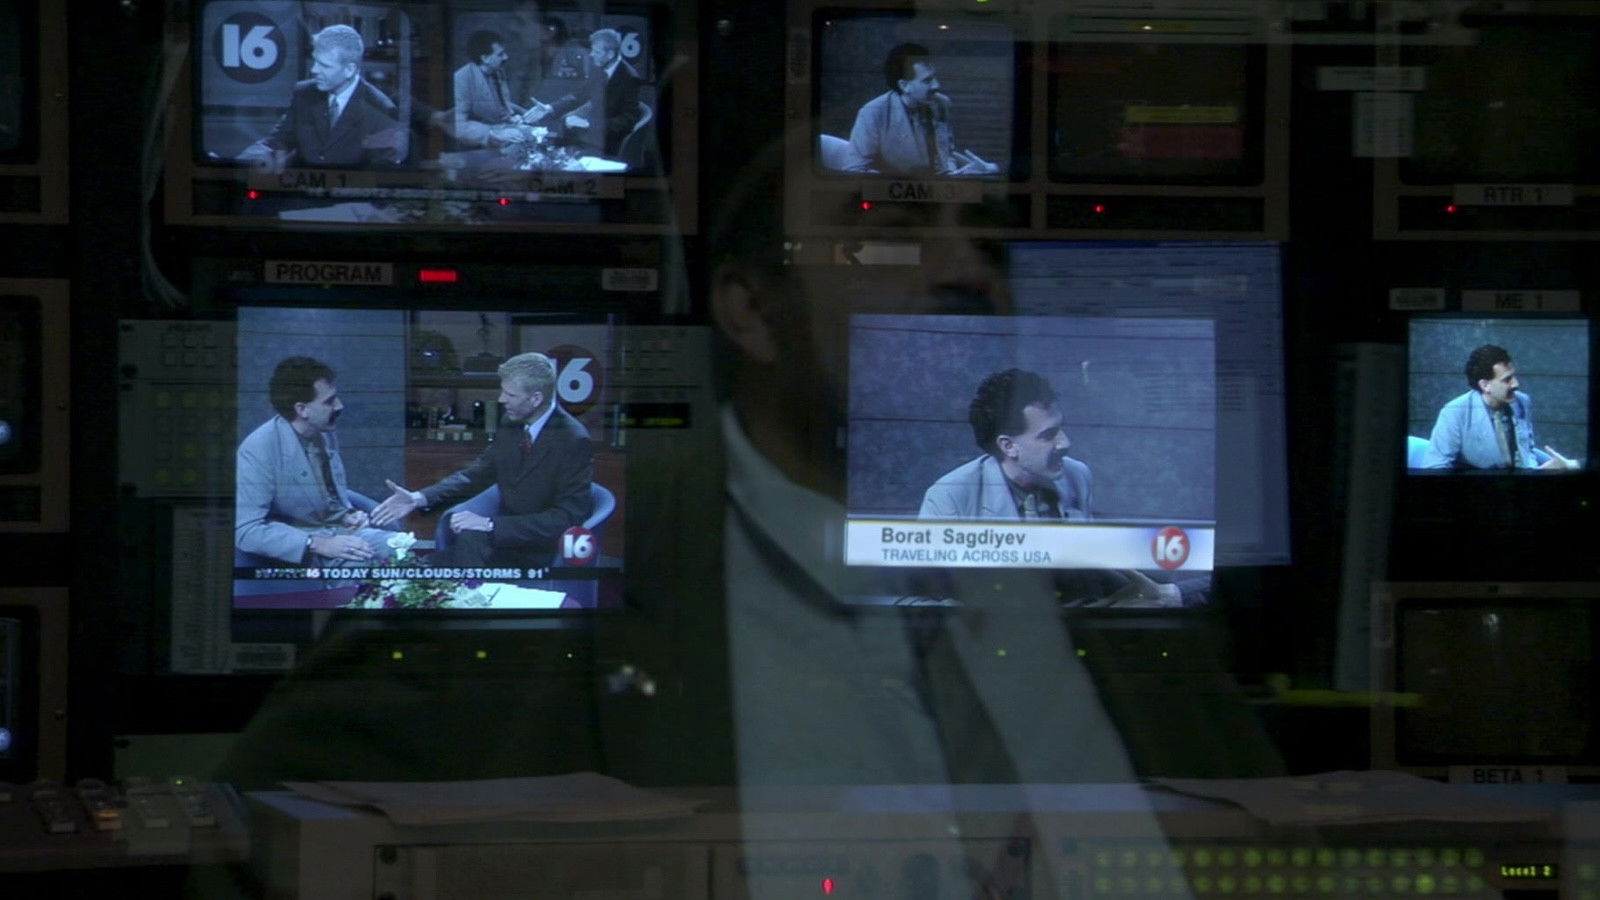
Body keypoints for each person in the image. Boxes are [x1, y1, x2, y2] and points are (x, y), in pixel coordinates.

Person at [369, 352, 593, 565]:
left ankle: (470, 589)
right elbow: (478, 474)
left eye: (511, 395)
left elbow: (568, 517)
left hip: (540, 548)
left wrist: (490, 524)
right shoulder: (512, 423)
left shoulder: (572, 439)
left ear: (536, 398)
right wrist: (420, 498)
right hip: (501, 541)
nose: (502, 399)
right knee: (424, 569)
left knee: (462, 551)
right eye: (503, 391)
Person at [235, 357, 393, 565]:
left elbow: (325, 496)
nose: (339, 406)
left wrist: (346, 515)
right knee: (364, 566)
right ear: (302, 409)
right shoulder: (258, 449)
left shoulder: (324, 433)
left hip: (335, 532)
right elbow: (247, 529)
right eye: (329, 401)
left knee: (400, 548)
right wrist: (316, 543)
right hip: (300, 546)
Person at [920, 368, 1091, 521]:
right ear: (1008, 446)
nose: (1065, 443)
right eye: (1048, 435)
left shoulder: (1077, 475)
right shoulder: (950, 498)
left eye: (1060, 428)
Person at [235, 24, 405, 172]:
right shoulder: (304, 92)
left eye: (324, 65)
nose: (314, 70)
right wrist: (237, 163)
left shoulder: (380, 108)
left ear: (349, 70)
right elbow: (278, 141)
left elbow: (379, 174)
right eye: (315, 61)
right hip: (300, 190)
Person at [839, 42, 998, 177]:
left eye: (934, 77)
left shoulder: (942, 104)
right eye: (927, 80)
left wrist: (961, 175)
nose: (937, 85)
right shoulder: (873, 112)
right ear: (904, 85)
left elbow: (946, 157)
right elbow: (854, 170)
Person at [1420, 343, 1577, 470]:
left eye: (1513, 376)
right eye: (1507, 379)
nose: (1516, 384)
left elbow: (1526, 451)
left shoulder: (1522, 401)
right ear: (1485, 385)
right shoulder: (1454, 412)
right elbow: (1434, 466)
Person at [525, 28, 642, 156]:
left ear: (610, 54)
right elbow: (580, 95)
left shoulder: (630, 77)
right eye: (592, 50)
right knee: (555, 135)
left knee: (559, 145)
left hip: (608, 139)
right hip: (591, 132)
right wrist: (550, 108)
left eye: (596, 51)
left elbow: (627, 119)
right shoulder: (599, 67)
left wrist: (589, 124)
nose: (591, 54)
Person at [451, 29, 528, 148]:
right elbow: (459, 126)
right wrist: (494, 133)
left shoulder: (498, 72)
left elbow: (499, 104)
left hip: (504, 134)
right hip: (477, 145)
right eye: (500, 54)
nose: (506, 57)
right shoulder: (461, 78)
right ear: (485, 58)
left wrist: (520, 115)